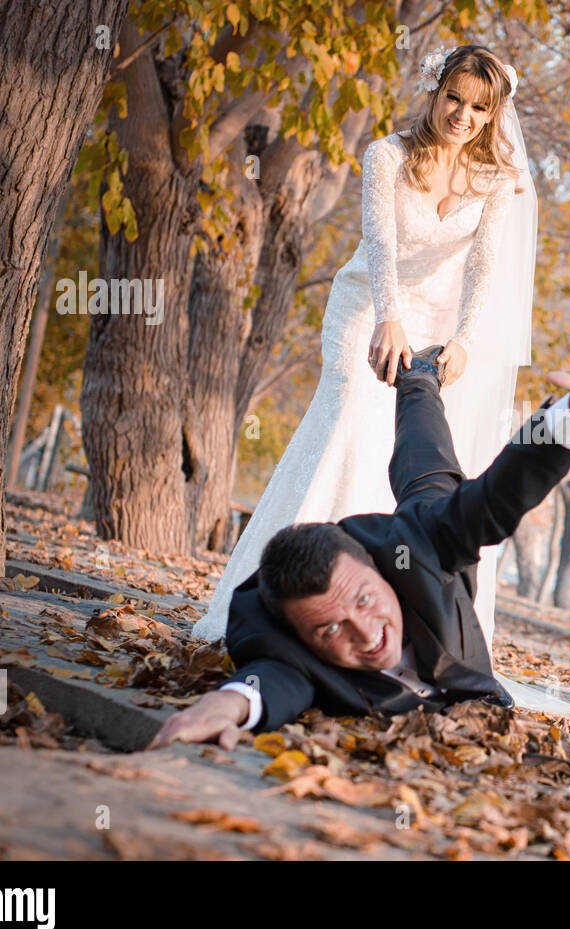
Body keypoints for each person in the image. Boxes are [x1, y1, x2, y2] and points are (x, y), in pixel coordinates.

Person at [151, 294, 570, 749]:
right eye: (330, 628)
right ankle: (419, 386)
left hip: (423, 539)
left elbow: (497, 498)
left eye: (364, 600)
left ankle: (419, 377)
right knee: (426, 478)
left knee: (427, 467)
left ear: (377, 569)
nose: (366, 633)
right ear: (301, 635)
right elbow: (271, 679)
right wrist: (226, 705)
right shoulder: (277, 636)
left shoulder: (411, 549)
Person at [190, 45, 537, 661]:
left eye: (479, 107)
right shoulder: (387, 155)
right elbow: (379, 242)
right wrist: (389, 318)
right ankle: (277, 595)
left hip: (440, 325)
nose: (462, 114)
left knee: (403, 455)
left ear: (492, 114)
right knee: (347, 423)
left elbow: (484, 266)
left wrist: (463, 340)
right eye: (453, 97)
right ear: (434, 90)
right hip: (368, 308)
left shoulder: (495, 180)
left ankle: (378, 614)